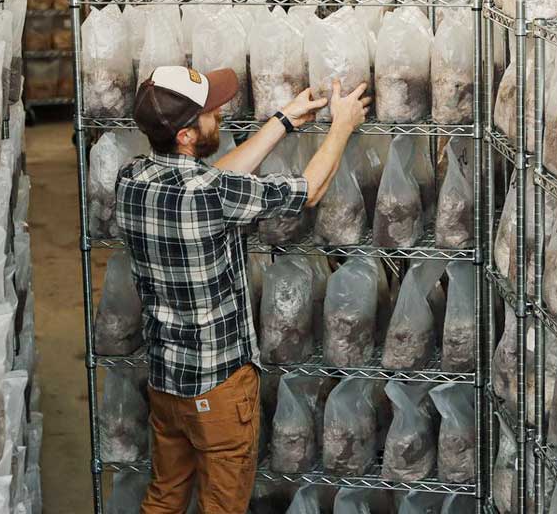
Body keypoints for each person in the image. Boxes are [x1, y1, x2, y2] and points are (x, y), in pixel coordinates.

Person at [115, 65, 370, 513]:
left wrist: (283, 121)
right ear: (186, 136)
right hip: (216, 388)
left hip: (165, 381)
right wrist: (343, 126)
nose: (221, 114)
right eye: (210, 111)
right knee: (223, 505)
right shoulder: (210, 194)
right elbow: (309, 191)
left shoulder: (132, 178)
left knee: (164, 496)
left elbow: (216, 180)